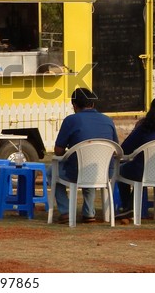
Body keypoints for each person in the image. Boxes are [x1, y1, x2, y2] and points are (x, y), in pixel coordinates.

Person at [51, 87, 118, 223]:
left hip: (77, 171)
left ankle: (65, 211)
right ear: (93, 104)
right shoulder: (108, 120)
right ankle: (88, 212)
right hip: (104, 172)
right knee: (90, 167)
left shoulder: (71, 120)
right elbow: (115, 148)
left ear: (74, 105)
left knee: (52, 171)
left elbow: (58, 151)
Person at [115, 97, 155, 218]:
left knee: (119, 170)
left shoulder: (144, 128)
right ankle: (131, 205)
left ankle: (127, 205)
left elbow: (125, 149)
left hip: (141, 171)